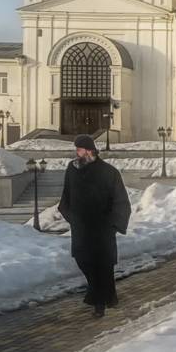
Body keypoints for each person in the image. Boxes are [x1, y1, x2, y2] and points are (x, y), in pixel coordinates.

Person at [57, 134, 131, 317]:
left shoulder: (108, 172)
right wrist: (71, 217)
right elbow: (65, 195)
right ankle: (106, 296)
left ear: (89, 151)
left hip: (102, 228)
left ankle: (100, 303)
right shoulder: (72, 169)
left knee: (103, 266)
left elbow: (121, 200)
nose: (76, 153)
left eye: (79, 149)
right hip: (81, 228)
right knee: (83, 261)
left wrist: (113, 224)